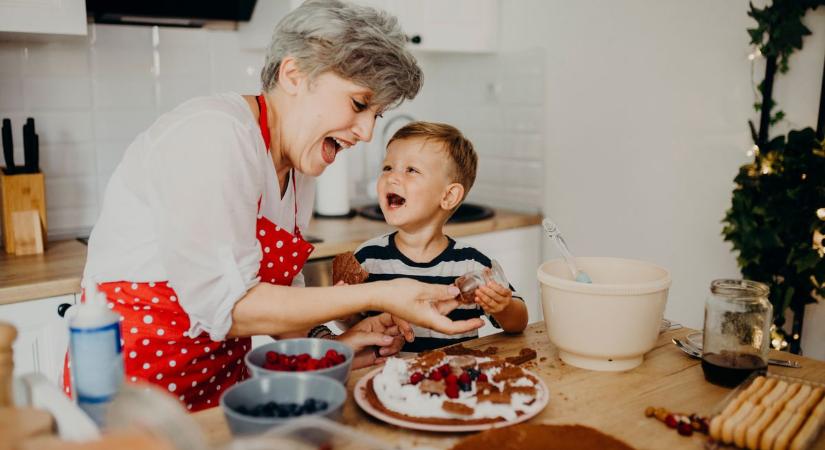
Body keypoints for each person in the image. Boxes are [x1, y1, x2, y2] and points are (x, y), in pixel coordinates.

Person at [63, 0, 483, 412]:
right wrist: (385, 293)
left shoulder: (298, 167)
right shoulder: (213, 136)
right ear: (294, 74)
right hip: (133, 393)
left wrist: (331, 347)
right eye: (359, 104)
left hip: (223, 386)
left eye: (376, 114)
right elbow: (230, 308)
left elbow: (278, 301)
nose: (367, 132)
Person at [339, 121, 528, 352]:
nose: (392, 177)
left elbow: (518, 322)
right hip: (386, 380)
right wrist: (345, 312)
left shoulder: (472, 265)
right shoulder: (368, 258)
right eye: (387, 168)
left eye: (411, 170)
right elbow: (354, 326)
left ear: (448, 196)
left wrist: (502, 306)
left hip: (453, 380)